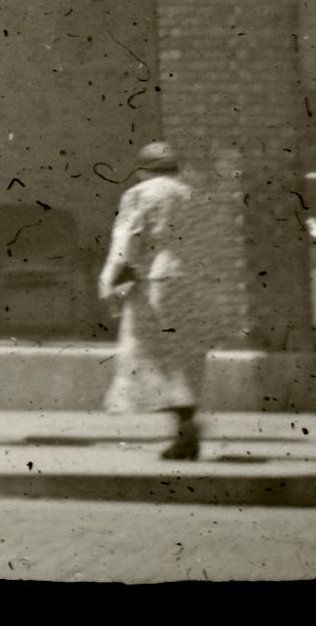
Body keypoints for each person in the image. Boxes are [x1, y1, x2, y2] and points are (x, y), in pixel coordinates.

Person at [100, 141, 216, 462]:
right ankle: (186, 427)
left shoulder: (141, 193)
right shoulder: (194, 194)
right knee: (185, 354)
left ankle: (185, 429)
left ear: (142, 171)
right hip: (195, 281)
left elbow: (126, 240)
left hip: (159, 281)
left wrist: (109, 279)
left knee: (149, 352)